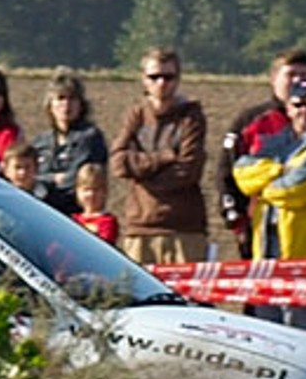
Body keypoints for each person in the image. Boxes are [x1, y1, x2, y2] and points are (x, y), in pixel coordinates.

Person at [235, 76, 306, 331]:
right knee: (266, 327)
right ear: (288, 108)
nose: (304, 111)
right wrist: (279, 168)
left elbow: (294, 190)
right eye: (298, 104)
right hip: (266, 246)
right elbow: (241, 174)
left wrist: (264, 184)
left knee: (300, 329)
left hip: (303, 255)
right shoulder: (275, 143)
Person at [110, 47, 209, 266]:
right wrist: (163, 158)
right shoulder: (136, 116)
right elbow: (118, 163)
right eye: (154, 77)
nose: (161, 83)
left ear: (178, 78)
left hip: (183, 229)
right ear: (144, 80)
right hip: (140, 228)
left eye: (168, 76)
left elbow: (188, 170)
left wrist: (142, 174)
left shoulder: (190, 118)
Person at [218, 48, 306, 242]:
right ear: (274, 78)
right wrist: (235, 218)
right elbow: (226, 170)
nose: (297, 81)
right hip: (259, 229)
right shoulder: (250, 121)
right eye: (291, 74)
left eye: (303, 75)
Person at [32, 69, 109, 214]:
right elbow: (30, 178)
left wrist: (44, 182)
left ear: (81, 104)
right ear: (50, 104)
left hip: (74, 217)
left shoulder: (89, 138)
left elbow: (74, 181)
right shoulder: (41, 141)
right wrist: (53, 178)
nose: (66, 105)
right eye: (61, 98)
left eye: (72, 99)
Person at [72, 162, 118, 245]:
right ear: (78, 192)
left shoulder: (107, 221)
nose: (91, 194)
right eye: (86, 189)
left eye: (96, 190)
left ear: (104, 192)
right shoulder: (73, 220)